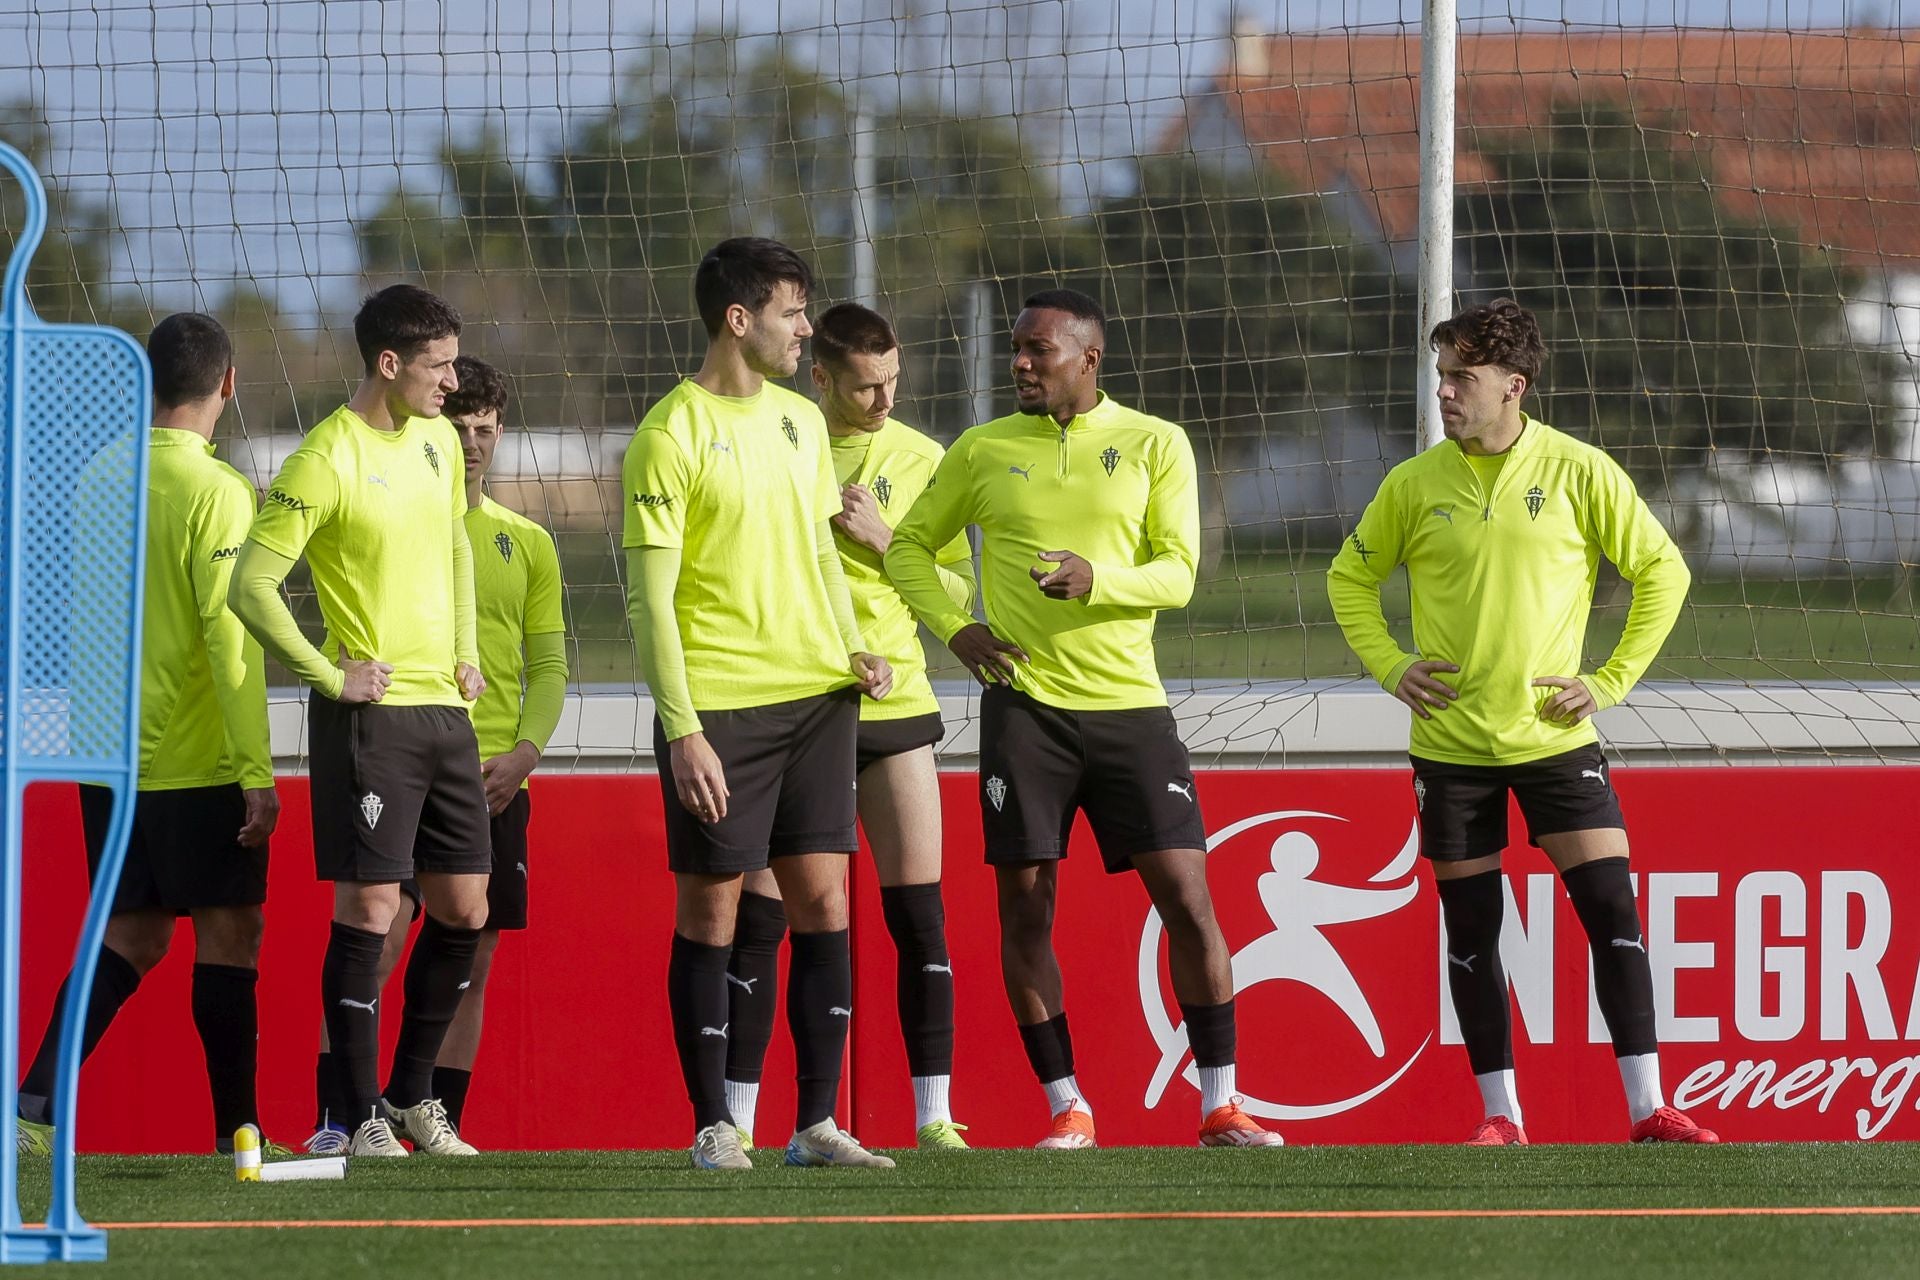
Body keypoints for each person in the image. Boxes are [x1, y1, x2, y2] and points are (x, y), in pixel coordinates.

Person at [885, 288, 1282, 1150]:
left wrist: (1098, 578)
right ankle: (1067, 1104)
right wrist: (956, 628)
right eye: (1017, 350)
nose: (1021, 364)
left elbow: (1179, 573)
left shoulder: (1153, 444)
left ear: (1089, 359)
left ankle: (1222, 1102)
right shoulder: (983, 450)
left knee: (1188, 898)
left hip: (1131, 711)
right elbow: (909, 546)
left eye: (1040, 352)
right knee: (1026, 910)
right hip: (1025, 714)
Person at [1326, 297, 1716, 1145]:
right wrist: (1392, 666)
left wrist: (1608, 681)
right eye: (1440, 377)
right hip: (1451, 751)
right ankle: (1502, 1118)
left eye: (1461, 377)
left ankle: (1649, 1108)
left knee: (1612, 910)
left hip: (1556, 743)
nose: (1445, 393)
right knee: (1472, 931)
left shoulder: (1580, 470)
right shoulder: (1412, 484)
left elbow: (1664, 573)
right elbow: (1346, 581)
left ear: (1515, 384)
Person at [623, 238, 894, 1170]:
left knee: (824, 903)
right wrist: (682, 727)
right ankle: (713, 1126)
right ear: (738, 320)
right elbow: (650, 602)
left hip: (818, 699)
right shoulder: (670, 433)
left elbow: (821, 552)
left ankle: (814, 1124)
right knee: (712, 917)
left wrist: (847, 642)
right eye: (790, 312)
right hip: (723, 715)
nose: (803, 329)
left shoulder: (799, 422)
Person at [229, 284, 489, 1158]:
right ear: (390, 363)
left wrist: (463, 649)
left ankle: (414, 1097)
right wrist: (328, 675)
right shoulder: (323, 458)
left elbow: (455, 544)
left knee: (463, 907)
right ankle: (360, 1111)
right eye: (440, 365)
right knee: (373, 908)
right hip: (368, 721)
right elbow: (250, 588)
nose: (452, 382)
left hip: (445, 711)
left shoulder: (439, 447)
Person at [15, 313, 281, 1157]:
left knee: (134, 933)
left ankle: (35, 1104)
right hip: (196, 758)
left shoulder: (98, 477)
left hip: (107, 756)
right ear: (228, 384)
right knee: (230, 928)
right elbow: (227, 636)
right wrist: (256, 772)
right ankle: (238, 1137)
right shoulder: (219, 491)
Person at [720, 303, 976, 1152]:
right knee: (767, 920)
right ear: (821, 376)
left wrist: (886, 540)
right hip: (796, 703)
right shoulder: (781, 439)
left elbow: (961, 595)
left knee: (918, 914)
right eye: (867, 386)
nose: (884, 400)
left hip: (895, 703)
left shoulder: (923, 458)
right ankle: (741, 1124)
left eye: (893, 380)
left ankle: (932, 1118)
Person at [302, 355, 567, 1153]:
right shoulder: (392, 509)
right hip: (394, 748)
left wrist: (525, 753)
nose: (474, 443)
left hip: (489, 775)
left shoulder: (529, 543)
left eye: (487, 430)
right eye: (461, 427)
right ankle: (338, 1116)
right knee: (376, 934)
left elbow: (547, 664)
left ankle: (425, 1105)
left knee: (473, 946)